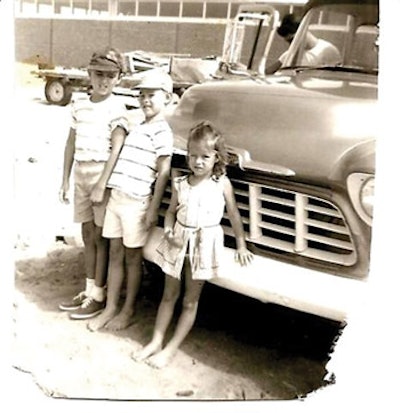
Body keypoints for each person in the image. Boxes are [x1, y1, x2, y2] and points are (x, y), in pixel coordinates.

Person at [132, 121, 253, 368]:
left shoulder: (221, 184)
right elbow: (170, 213)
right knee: (168, 295)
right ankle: (156, 341)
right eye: (193, 156)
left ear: (217, 158)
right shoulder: (181, 183)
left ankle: (170, 348)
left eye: (205, 157)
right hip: (178, 241)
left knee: (190, 300)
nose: (198, 162)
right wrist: (167, 230)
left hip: (204, 244)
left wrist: (241, 244)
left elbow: (234, 215)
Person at [87, 70, 174, 332]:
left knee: (132, 258)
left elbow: (164, 172)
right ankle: (111, 307)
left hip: (137, 203)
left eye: (152, 96)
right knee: (115, 252)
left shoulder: (162, 132)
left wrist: (153, 209)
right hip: (117, 197)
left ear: (168, 98)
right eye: (142, 95)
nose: (145, 100)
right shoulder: (139, 126)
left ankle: (128, 310)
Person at [58, 47, 128, 319]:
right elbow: (71, 143)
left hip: (101, 174)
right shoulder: (79, 104)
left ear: (118, 78)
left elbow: (116, 149)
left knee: (100, 237)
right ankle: (89, 289)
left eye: (110, 75)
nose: (104, 80)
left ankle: (99, 293)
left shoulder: (117, 107)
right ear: (89, 73)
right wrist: (64, 179)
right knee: (87, 234)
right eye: (99, 74)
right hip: (81, 173)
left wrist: (102, 183)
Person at [265, 13, 341, 74]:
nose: (291, 44)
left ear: (303, 32)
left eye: (292, 40)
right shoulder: (290, 54)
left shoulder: (328, 50)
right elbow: (267, 72)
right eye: (288, 42)